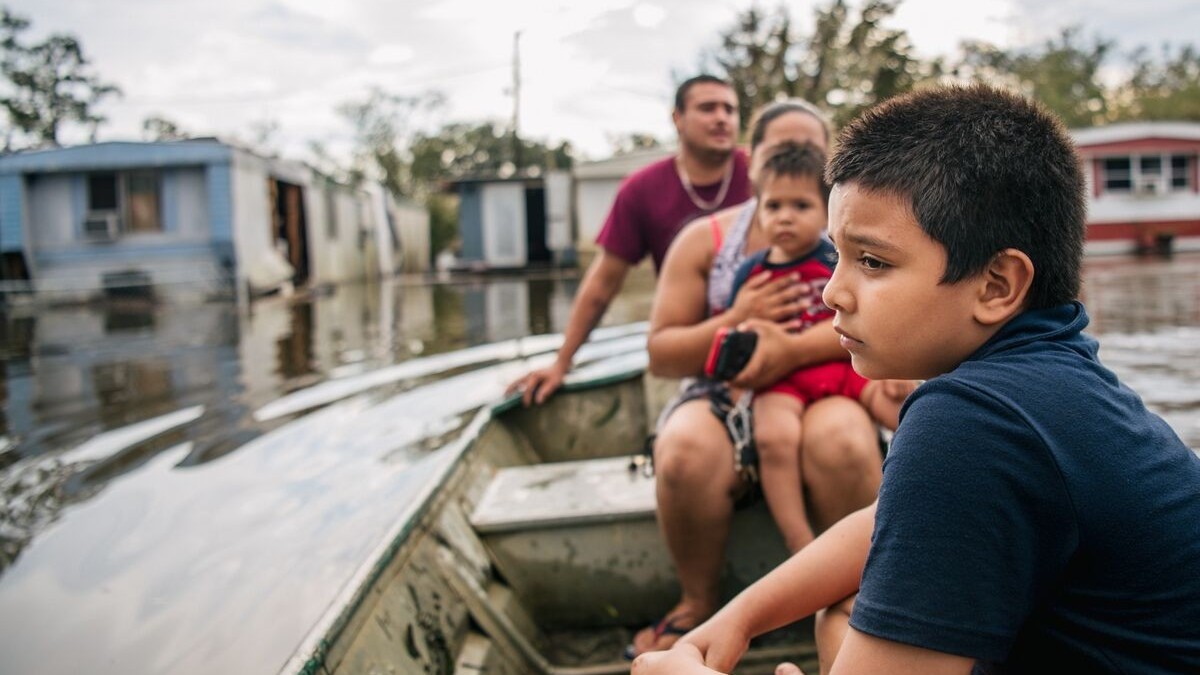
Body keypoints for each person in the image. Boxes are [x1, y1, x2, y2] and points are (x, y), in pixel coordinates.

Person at [632, 83, 1200, 674]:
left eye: (873, 262)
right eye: (837, 257)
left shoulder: (972, 422)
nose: (832, 292)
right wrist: (738, 618)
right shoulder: (1053, 375)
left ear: (997, 285)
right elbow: (885, 522)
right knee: (844, 614)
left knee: (846, 622)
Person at [629, 100, 885, 658]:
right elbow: (662, 353)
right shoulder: (707, 239)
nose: (794, 161)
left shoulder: (851, 228)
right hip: (726, 386)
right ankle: (698, 601)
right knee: (684, 452)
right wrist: (734, 316)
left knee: (840, 440)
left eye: (811, 152)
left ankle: (868, 594)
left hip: (827, 373)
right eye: (778, 149)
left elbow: (877, 316)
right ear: (754, 161)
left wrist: (790, 350)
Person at [505, 74, 751, 405]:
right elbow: (602, 284)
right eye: (708, 108)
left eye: (730, 110)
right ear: (677, 119)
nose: (722, 118)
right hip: (692, 344)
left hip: (766, 327)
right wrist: (562, 362)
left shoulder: (763, 174)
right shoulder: (642, 190)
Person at [725, 141, 915, 554]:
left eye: (801, 206)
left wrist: (897, 368)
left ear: (826, 213)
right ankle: (799, 540)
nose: (786, 217)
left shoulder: (839, 258)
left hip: (843, 363)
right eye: (773, 206)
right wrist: (740, 386)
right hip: (782, 381)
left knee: (910, 409)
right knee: (774, 438)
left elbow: (874, 315)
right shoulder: (751, 274)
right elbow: (742, 341)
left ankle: (928, 496)